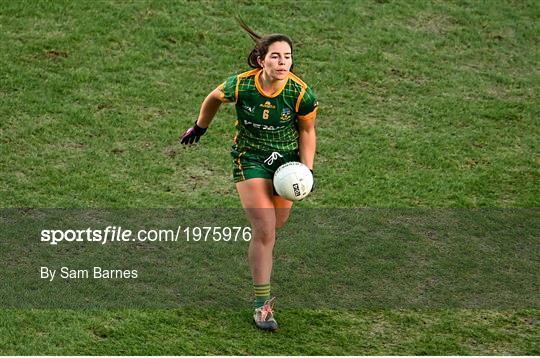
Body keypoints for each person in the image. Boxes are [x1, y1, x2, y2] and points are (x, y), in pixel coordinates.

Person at [180, 20, 318, 332]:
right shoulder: (241, 85)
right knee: (266, 229)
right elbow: (213, 97)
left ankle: (260, 255)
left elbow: (307, 131)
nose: (282, 62)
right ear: (261, 60)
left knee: (275, 225)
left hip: (286, 166)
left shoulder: (300, 93)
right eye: (275, 56)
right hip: (250, 159)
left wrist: (307, 170)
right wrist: (200, 127)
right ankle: (262, 307)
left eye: (287, 57)